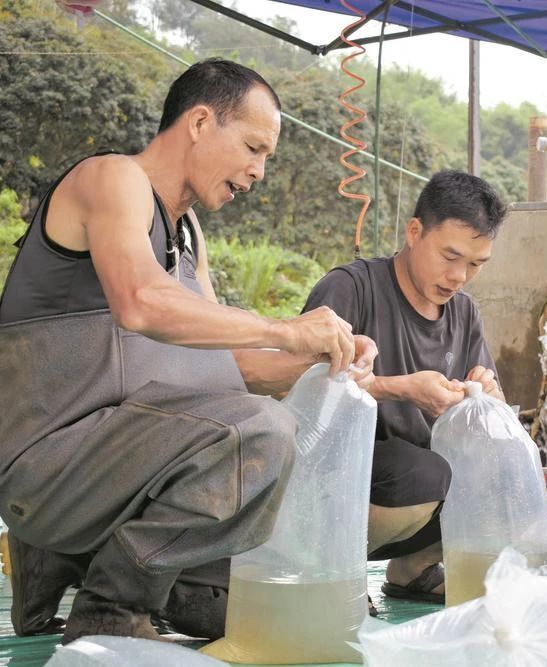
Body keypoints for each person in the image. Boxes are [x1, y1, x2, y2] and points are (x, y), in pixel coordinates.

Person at [0, 59, 375, 644]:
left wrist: (322, 360)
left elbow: (234, 368)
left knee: (232, 607)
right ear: (201, 121)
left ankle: (60, 559)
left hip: (115, 463)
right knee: (261, 432)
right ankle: (109, 607)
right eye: (254, 147)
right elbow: (142, 303)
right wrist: (286, 327)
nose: (259, 170)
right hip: (50, 466)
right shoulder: (111, 178)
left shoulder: (187, 231)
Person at [301, 170, 506, 605]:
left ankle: (413, 567)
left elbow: (495, 411)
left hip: (416, 494)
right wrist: (399, 388)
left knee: (504, 467)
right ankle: (325, 568)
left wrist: (486, 396)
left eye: (474, 264)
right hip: (334, 481)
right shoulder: (350, 289)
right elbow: (303, 394)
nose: (459, 276)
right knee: (421, 473)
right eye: (449, 256)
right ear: (414, 232)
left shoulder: (464, 314)